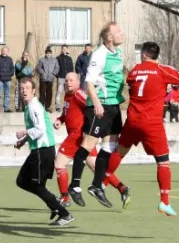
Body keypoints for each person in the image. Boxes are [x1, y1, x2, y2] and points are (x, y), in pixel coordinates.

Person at [101, 42, 179, 215]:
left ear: (143, 55)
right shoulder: (163, 71)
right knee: (163, 162)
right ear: (156, 56)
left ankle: (103, 181)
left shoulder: (134, 71)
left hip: (132, 120)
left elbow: (132, 84)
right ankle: (164, 201)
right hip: (151, 124)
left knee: (119, 152)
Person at [68, 22, 125, 208]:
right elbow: (89, 82)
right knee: (88, 145)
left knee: (109, 147)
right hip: (100, 107)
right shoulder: (99, 54)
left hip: (114, 106)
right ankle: (75, 186)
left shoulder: (117, 53)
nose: (121, 33)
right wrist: (97, 103)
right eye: (118, 31)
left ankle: (96, 185)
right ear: (109, 37)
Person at [54, 72, 129, 208]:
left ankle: (64, 198)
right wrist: (60, 119)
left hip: (77, 137)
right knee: (97, 168)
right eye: (66, 80)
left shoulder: (78, 94)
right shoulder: (68, 95)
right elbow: (69, 112)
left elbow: (92, 104)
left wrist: (100, 121)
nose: (68, 82)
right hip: (85, 138)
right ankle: (122, 188)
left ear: (78, 82)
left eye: (71, 80)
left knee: (59, 164)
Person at [14, 77, 74, 226]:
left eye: (27, 88)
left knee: (37, 186)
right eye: (22, 88)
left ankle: (64, 214)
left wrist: (24, 132)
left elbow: (40, 130)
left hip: (43, 151)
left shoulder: (34, 107)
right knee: (22, 181)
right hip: (37, 151)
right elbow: (37, 130)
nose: (24, 91)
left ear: (34, 91)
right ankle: (54, 202)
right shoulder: (29, 107)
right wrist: (23, 141)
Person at [0, 46, 15, 113]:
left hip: (8, 79)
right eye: (3, 51)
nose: (4, 52)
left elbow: (12, 68)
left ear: (7, 52)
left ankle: (6, 108)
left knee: (7, 94)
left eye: (6, 51)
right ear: (1, 51)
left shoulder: (10, 59)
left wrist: (10, 74)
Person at [37, 47, 59, 111]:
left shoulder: (55, 60)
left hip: (50, 79)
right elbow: (39, 67)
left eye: (49, 53)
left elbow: (57, 67)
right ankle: (41, 106)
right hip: (43, 79)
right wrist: (42, 73)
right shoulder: (42, 60)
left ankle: (47, 107)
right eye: (47, 53)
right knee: (42, 93)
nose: (48, 54)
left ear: (51, 54)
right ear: (45, 54)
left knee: (49, 93)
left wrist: (54, 74)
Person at [55, 45, 74, 111]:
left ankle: (67, 106)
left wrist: (71, 76)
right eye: (63, 49)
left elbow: (71, 68)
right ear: (61, 49)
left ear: (67, 49)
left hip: (68, 79)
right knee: (59, 92)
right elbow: (56, 67)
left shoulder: (69, 58)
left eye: (66, 49)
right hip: (61, 78)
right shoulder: (58, 58)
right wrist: (57, 75)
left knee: (68, 92)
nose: (64, 50)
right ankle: (57, 107)